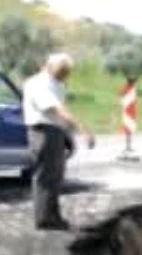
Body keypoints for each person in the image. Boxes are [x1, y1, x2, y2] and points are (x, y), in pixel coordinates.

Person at [22, 52, 95, 231]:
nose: (64, 75)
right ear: (50, 66)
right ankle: (45, 218)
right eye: (62, 71)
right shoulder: (39, 84)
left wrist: (66, 133)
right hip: (43, 131)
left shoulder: (54, 82)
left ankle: (53, 215)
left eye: (66, 72)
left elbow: (60, 110)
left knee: (55, 175)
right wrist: (82, 129)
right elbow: (57, 109)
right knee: (45, 176)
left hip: (54, 130)